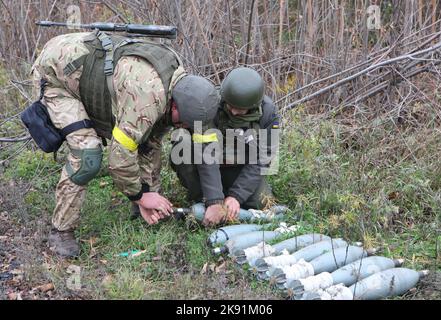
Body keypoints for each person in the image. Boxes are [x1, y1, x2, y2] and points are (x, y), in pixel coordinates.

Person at [30, 30, 224, 257]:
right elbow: (119, 156)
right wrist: (140, 195)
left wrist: (215, 199)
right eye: (182, 123)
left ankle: (142, 207)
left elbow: (156, 145)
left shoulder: (195, 97)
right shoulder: (148, 96)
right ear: (174, 107)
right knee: (88, 156)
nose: (183, 128)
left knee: (149, 139)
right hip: (56, 76)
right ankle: (61, 231)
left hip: (88, 69)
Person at [171, 67, 280, 223]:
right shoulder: (209, 104)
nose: (234, 112)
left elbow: (261, 161)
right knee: (181, 142)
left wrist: (236, 196)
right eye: (230, 105)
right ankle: (201, 199)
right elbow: (205, 153)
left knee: (262, 203)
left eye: (240, 109)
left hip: (239, 169)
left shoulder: (269, 115)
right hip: (206, 166)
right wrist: (214, 200)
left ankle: (228, 200)